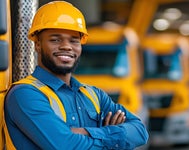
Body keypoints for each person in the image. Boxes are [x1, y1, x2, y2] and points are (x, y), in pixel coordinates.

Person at [4, 1, 149, 149]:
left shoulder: (94, 95)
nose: (66, 46)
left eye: (74, 40)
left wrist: (84, 133)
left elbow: (140, 131)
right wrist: (113, 136)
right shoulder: (24, 94)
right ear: (38, 44)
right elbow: (66, 146)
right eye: (55, 39)